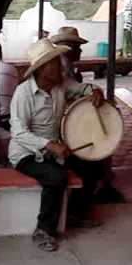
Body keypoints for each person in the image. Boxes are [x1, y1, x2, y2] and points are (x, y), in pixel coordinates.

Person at [9, 39, 106, 252]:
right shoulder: (23, 93)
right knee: (56, 177)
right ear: (42, 69)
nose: (60, 67)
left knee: (94, 165)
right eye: (54, 63)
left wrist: (95, 91)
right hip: (27, 154)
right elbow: (18, 132)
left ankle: (75, 213)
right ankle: (43, 230)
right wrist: (50, 145)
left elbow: (83, 89)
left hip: (56, 151)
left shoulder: (60, 85)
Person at [50, 27, 126, 205]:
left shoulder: (67, 67)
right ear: (68, 47)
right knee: (100, 136)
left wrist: (93, 90)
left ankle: (102, 180)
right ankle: (101, 183)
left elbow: (77, 90)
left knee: (103, 129)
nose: (81, 51)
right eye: (78, 47)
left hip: (69, 118)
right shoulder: (60, 69)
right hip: (63, 125)